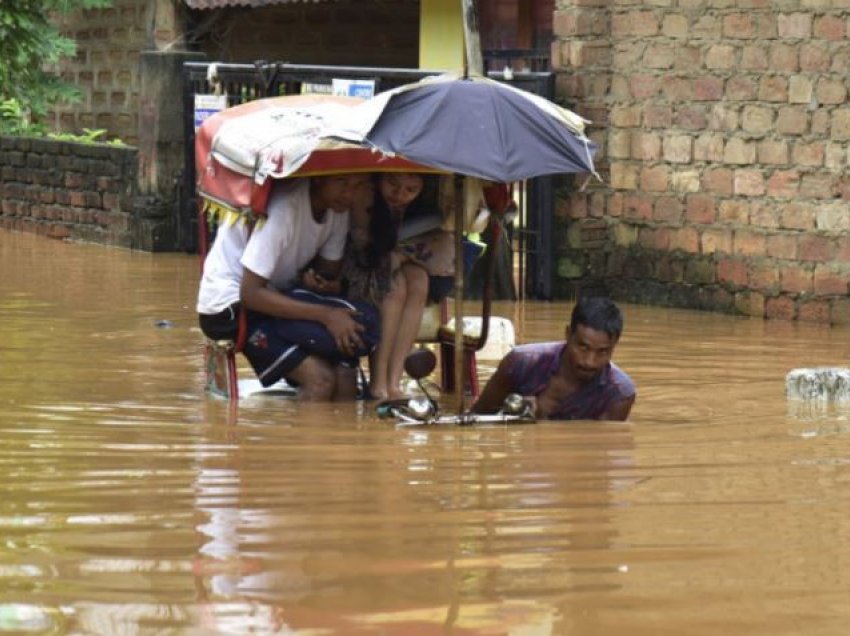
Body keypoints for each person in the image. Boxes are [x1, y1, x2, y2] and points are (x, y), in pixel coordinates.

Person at [196, 173, 375, 401]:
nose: (349, 194)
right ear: (319, 179)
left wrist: (322, 283)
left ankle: (338, 435)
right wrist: (327, 315)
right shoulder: (285, 209)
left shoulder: (338, 209)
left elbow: (327, 271)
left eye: (357, 184)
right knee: (321, 380)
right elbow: (250, 294)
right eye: (342, 182)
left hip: (275, 298)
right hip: (231, 305)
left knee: (345, 364)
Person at [471, 297, 636, 420]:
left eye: (602, 352)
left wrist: (539, 418)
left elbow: (597, 451)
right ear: (568, 334)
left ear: (614, 346)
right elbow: (478, 418)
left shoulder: (619, 393)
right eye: (582, 347)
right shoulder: (520, 363)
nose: (589, 361)